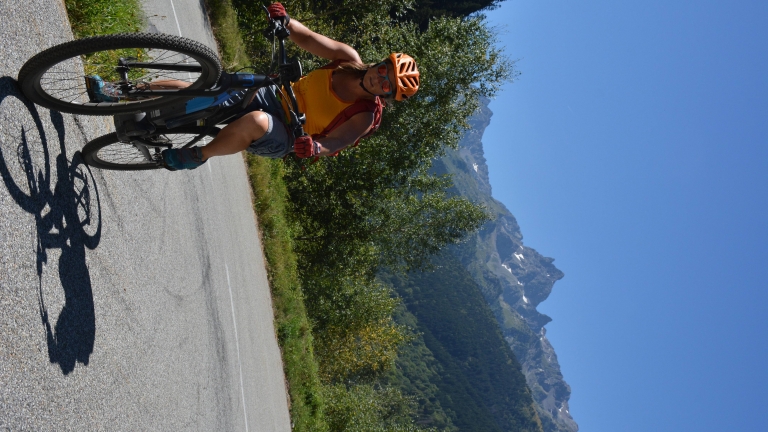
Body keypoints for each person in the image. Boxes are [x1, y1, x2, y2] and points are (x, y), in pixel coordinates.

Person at [158, 2, 420, 170]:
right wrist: (286, 21)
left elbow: (338, 140)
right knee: (214, 89)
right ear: (382, 62)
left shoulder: (365, 114)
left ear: (388, 96)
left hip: (287, 133)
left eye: (388, 86)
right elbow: (308, 38)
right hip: (275, 94)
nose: (380, 78)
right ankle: (128, 93)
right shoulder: (348, 60)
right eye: (386, 70)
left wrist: (316, 148)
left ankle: (198, 156)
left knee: (257, 122)